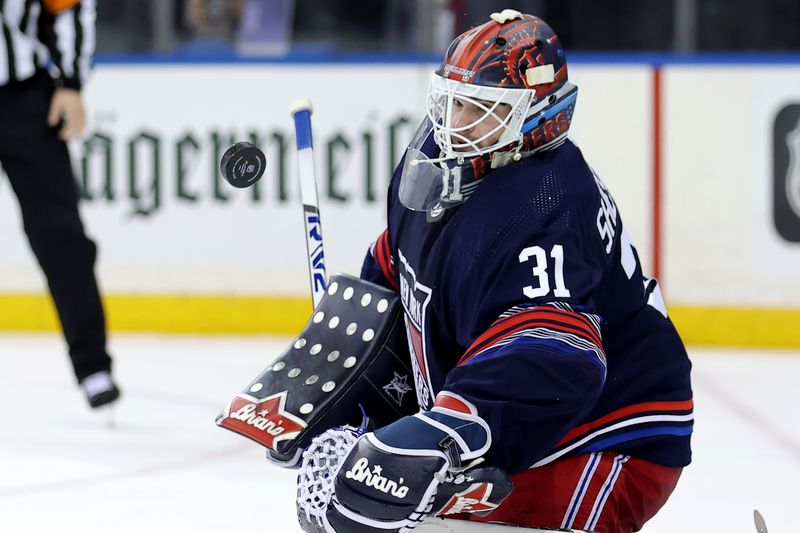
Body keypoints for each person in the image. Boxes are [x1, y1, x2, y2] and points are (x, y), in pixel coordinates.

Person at [311, 9, 693, 533]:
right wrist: (347, 379)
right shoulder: (437, 160)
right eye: (451, 102)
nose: (454, 124)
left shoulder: (551, 203)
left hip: (606, 436)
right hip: (521, 426)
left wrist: (445, 432)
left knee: (422, 518)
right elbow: (401, 260)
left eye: (479, 110)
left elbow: (552, 353)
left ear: (539, 118)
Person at [0, 0, 120, 409]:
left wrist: (71, 81)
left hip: (22, 98)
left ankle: (93, 366)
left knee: (60, 235)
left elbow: (69, 4)